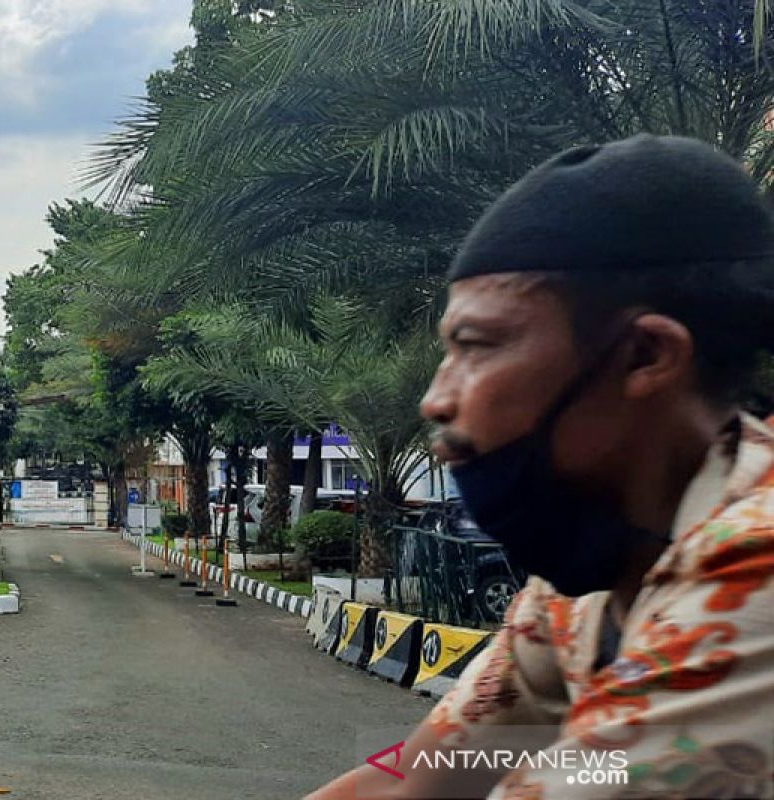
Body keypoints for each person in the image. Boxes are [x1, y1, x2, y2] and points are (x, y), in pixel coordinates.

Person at [307, 135, 774, 799]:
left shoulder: (757, 565)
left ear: (645, 356)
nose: (437, 398)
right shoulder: (586, 580)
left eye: (476, 346)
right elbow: (422, 781)